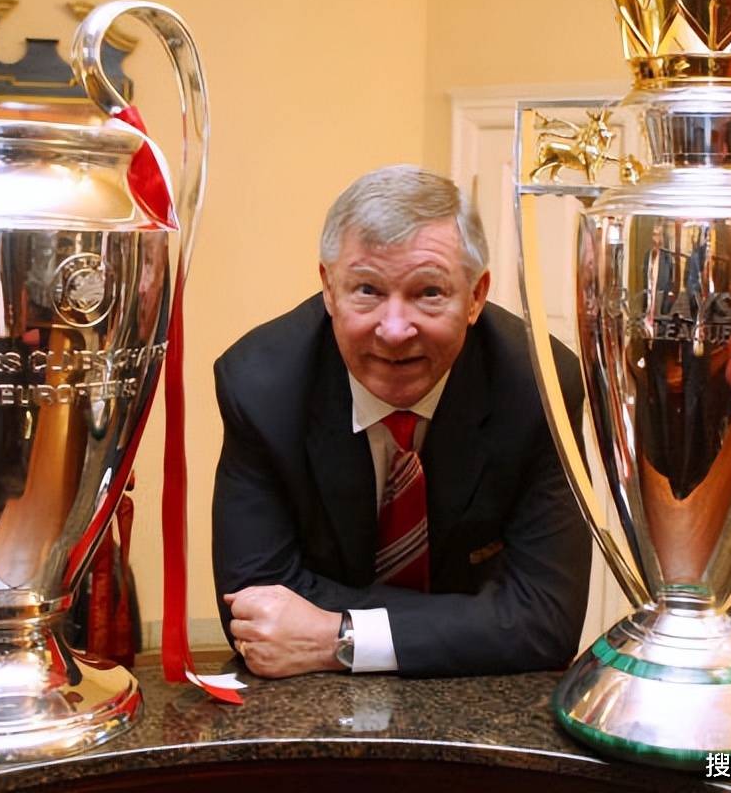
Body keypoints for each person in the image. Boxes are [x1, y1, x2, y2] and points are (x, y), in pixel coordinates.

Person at [211, 165, 590, 678]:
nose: (394, 330)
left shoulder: (540, 385)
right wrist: (480, 618)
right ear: (328, 289)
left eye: (429, 292)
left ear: (476, 296)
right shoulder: (260, 387)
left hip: (475, 700)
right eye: (367, 289)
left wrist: (340, 637)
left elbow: (547, 620)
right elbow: (255, 611)